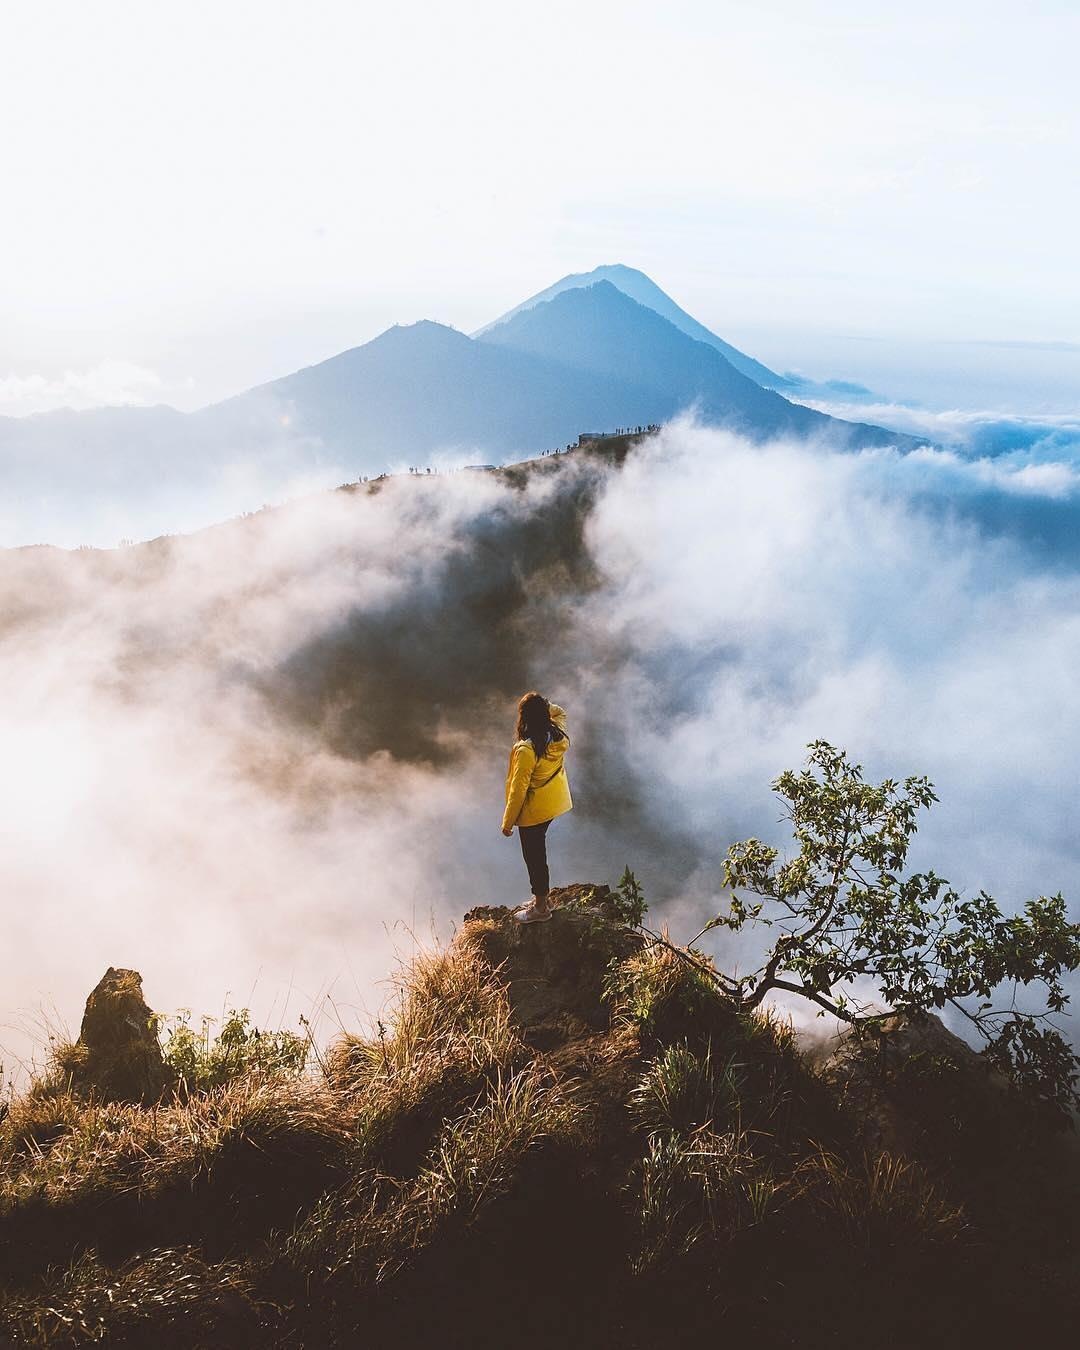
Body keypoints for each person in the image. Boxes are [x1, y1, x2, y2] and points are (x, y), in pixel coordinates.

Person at [501, 691, 572, 922]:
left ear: (524, 718)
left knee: (534, 857)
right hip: (552, 803)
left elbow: (518, 790)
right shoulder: (557, 734)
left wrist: (508, 822)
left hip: (533, 811)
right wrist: (542, 705)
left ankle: (541, 908)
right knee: (538, 852)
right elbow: (559, 711)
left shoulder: (526, 750)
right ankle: (542, 898)